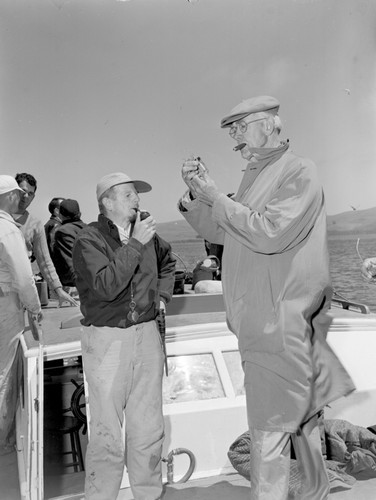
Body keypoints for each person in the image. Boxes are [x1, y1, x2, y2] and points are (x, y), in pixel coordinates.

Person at [178, 95, 355, 500]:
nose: (234, 136)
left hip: (279, 321)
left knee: (270, 432)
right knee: (304, 425)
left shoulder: (298, 171)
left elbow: (269, 231)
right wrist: (197, 196)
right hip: (265, 321)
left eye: (241, 125)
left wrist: (217, 196)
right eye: (231, 130)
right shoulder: (256, 175)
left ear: (273, 123)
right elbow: (226, 229)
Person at [72, 172, 176, 500]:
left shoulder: (147, 236)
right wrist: (135, 245)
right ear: (108, 202)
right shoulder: (88, 239)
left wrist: (161, 295)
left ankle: (148, 493)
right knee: (106, 432)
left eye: (137, 195)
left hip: (146, 336)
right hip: (106, 341)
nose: (138, 201)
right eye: (130, 195)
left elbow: (168, 263)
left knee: (148, 427)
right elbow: (105, 286)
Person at [0, 175, 42, 454]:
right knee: (5, 374)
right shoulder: (7, 228)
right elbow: (25, 278)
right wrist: (35, 308)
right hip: (7, 305)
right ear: (11, 196)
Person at [12, 173, 77, 307]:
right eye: (23, 191)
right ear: (13, 190)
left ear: (33, 197)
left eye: (30, 193)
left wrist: (58, 289)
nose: (26, 196)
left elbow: (45, 260)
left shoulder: (35, 225)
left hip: (21, 292)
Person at [52, 198, 86, 288]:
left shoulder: (63, 231)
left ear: (60, 215)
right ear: (79, 214)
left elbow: (71, 261)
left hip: (74, 286)